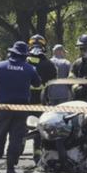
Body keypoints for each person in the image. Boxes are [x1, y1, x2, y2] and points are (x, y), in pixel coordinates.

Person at [0, 41, 41, 173]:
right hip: (21, 110)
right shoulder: (29, 68)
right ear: (24, 55)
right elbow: (37, 83)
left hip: (3, 108)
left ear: (11, 53)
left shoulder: (0, 66)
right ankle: (10, 169)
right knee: (16, 139)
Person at [27, 34, 58, 163]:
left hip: (24, 100)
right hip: (40, 101)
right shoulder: (49, 64)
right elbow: (53, 80)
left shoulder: (23, 61)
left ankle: (15, 152)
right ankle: (37, 155)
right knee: (38, 129)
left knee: (20, 127)